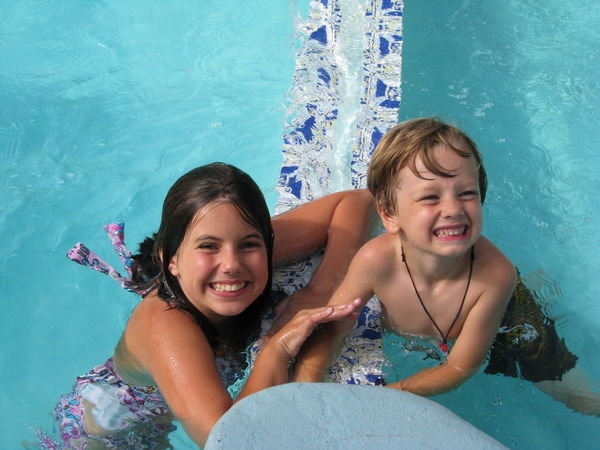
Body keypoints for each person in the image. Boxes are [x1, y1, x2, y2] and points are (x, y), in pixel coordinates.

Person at [39, 162, 373, 448]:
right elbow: (230, 441)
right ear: (171, 259)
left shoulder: (239, 249)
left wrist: (321, 288)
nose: (230, 264)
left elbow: (358, 202)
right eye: (208, 246)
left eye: (248, 244)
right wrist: (276, 349)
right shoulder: (165, 323)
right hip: (108, 433)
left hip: (177, 409)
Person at [294, 117, 516, 396]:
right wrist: (305, 385)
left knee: (567, 392)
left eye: (467, 193)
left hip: (510, 325)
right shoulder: (376, 261)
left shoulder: (496, 277)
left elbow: (460, 367)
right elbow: (332, 332)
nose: (453, 209)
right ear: (389, 214)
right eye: (430, 198)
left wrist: (382, 398)